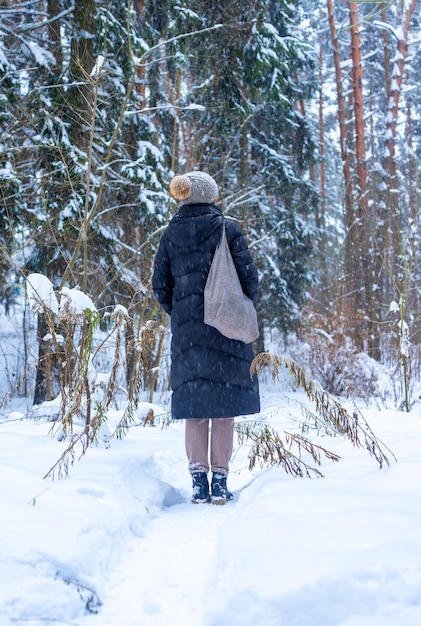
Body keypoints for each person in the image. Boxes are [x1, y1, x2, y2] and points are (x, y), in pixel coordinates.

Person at [152, 171, 260, 504]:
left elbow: (160, 286)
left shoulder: (171, 234)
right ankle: (220, 483)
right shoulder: (228, 230)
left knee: (196, 410)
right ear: (211, 196)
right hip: (225, 330)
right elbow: (250, 280)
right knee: (223, 410)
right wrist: (234, 308)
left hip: (188, 334)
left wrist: (183, 315)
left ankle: (198, 481)